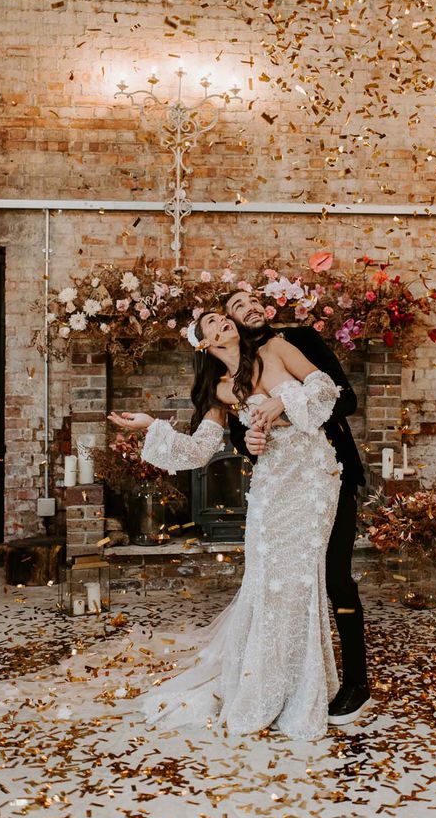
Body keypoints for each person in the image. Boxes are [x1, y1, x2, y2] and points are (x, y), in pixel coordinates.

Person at [103, 308, 351, 740]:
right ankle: (263, 684)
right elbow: (200, 451)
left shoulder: (277, 348)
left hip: (313, 478)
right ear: (205, 345)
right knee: (267, 580)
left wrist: (281, 401)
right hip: (272, 485)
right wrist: (151, 426)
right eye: (212, 325)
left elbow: (326, 388)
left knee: (300, 582)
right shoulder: (220, 390)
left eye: (223, 318)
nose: (223, 324)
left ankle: (301, 691)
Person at [224, 289, 370, 726]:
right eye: (236, 307)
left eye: (252, 301)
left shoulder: (300, 338)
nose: (249, 307)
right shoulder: (236, 368)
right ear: (227, 324)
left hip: (328, 472)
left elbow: (346, 399)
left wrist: (285, 402)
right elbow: (239, 431)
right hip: (283, 485)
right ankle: (289, 679)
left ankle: (357, 682)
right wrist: (247, 444)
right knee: (285, 583)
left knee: (336, 576)